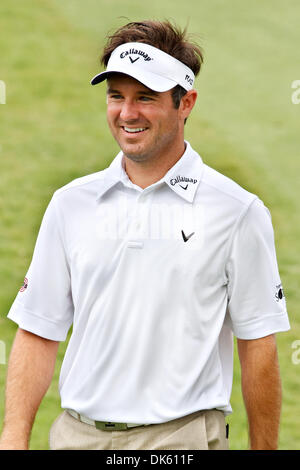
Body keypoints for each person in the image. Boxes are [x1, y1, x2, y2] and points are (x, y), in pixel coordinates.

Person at [0, 20, 290, 451]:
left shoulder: (238, 211)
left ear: (185, 102)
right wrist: (13, 438)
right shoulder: (69, 204)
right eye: (116, 96)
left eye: (145, 98)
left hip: (182, 440)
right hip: (76, 438)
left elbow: (258, 347)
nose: (126, 113)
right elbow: (39, 330)